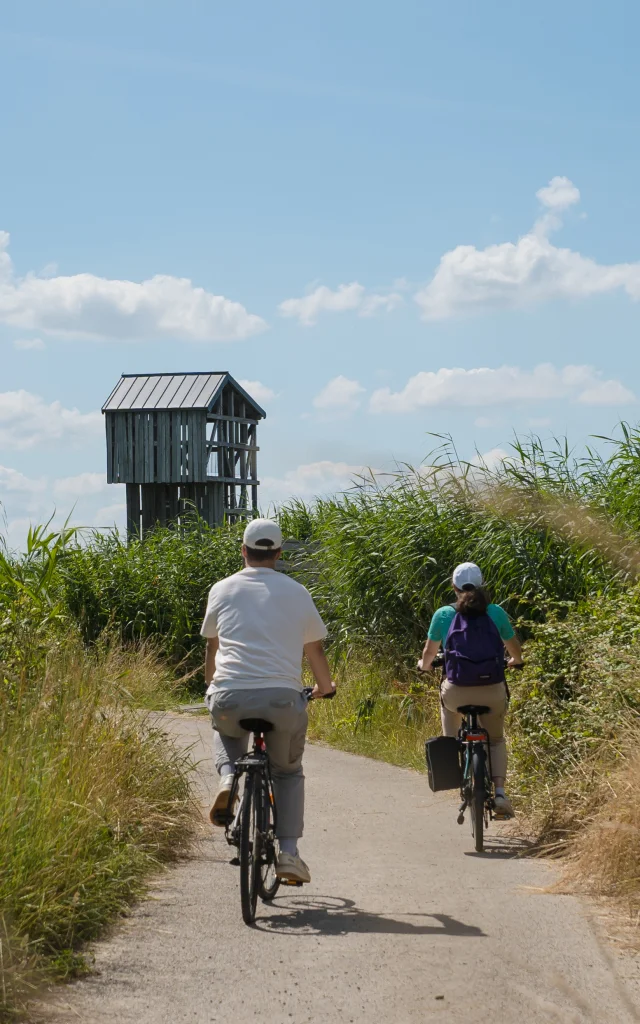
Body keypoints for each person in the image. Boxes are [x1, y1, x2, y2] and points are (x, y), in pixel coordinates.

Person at [201, 518, 335, 884]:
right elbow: (315, 650)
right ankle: (289, 853)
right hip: (282, 699)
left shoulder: (221, 589)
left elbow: (212, 646)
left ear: (243, 551)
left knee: (224, 729)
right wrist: (326, 687)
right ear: (278, 554)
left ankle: (228, 779)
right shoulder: (297, 591)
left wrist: (213, 686)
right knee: (287, 772)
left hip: (230, 694)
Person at [418, 562, 523, 817]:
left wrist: (424, 665)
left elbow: (429, 654)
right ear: (481, 585)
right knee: (495, 740)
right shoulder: (495, 612)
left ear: (453, 586)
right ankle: (499, 794)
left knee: (448, 712)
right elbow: (514, 648)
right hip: (492, 689)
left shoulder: (443, 614)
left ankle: (454, 748)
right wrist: (515, 662)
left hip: (457, 691)